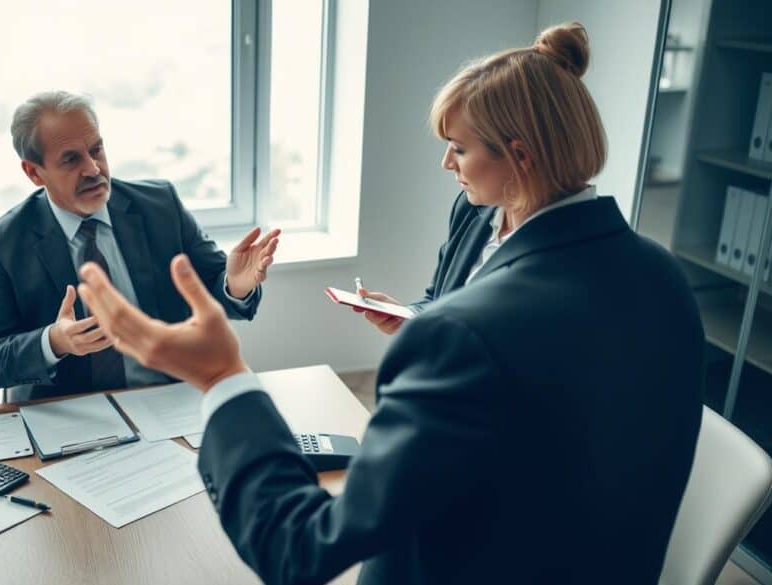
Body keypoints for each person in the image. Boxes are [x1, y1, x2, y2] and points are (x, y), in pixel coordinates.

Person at [76, 22, 705, 584]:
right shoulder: (665, 278)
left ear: (519, 155)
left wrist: (221, 376)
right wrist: (424, 326)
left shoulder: (464, 337)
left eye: (458, 148)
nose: (445, 162)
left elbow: (298, 552)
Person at [0, 91, 279, 401]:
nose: (93, 169)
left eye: (96, 150)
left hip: (167, 397)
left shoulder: (160, 206)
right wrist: (55, 341)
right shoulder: (2, 243)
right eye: (71, 159)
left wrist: (233, 286)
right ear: (34, 172)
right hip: (71, 414)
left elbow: (213, 290)